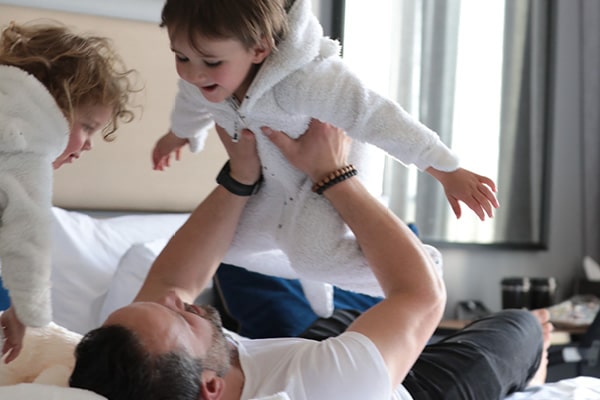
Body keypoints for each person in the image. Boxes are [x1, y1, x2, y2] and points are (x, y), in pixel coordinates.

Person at [70, 120, 551, 400]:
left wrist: (241, 174)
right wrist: (332, 172)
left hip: (298, 357)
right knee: (520, 328)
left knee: (343, 316)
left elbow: (172, 281)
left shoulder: (146, 371)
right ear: (210, 389)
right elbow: (421, 293)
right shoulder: (321, 388)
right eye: (185, 320)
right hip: (404, 392)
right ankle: (538, 364)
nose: (181, 303)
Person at [148, 0, 499, 318]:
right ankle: (307, 267)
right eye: (180, 57)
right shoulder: (203, 82)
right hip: (273, 184)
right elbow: (191, 106)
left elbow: (379, 117)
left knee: (313, 256)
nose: (193, 74)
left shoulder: (309, 80)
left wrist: (446, 169)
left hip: (329, 175)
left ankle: (422, 269)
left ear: (259, 49)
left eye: (211, 62)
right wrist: (178, 134)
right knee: (227, 248)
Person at [0, 21, 137, 363]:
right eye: (87, 127)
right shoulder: (25, 152)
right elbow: (27, 241)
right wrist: (26, 311)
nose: (88, 145)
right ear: (55, 106)